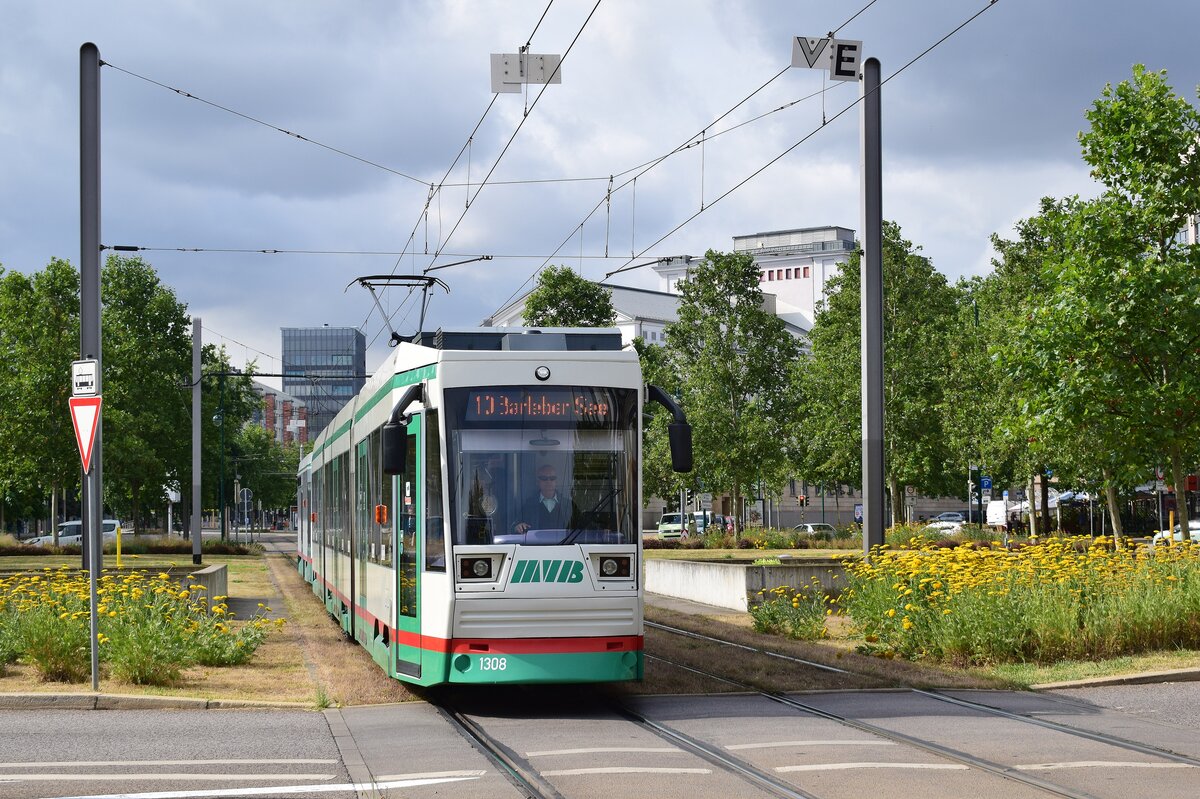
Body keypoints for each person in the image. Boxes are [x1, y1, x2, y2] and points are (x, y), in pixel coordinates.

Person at [514, 464, 574, 533]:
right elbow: (515, 525)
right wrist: (518, 526)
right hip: (535, 543)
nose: (548, 481)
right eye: (544, 478)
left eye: (552, 478)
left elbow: (580, 527)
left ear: (556, 481)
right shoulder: (529, 505)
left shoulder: (568, 505)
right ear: (538, 482)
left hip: (565, 543)